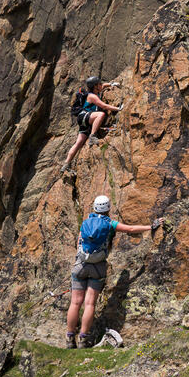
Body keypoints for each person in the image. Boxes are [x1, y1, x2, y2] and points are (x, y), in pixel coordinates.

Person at [66, 195, 163, 348]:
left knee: (75, 302)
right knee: (89, 303)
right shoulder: (110, 224)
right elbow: (130, 229)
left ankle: (69, 338)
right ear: (108, 209)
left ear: (94, 208)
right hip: (98, 267)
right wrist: (150, 226)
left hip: (81, 265)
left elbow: (79, 243)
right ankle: (83, 339)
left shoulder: (86, 223)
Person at [61, 76, 122, 175]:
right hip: (85, 116)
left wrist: (111, 84)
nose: (101, 85)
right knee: (101, 114)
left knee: (78, 143)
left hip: (84, 119)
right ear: (95, 86)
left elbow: (104, 86)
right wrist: (118, 109)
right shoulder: (92, 96)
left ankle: (66, 165)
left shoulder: (95, 91)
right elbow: (104, 106)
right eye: (99, 84)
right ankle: (92, 136)